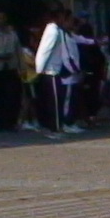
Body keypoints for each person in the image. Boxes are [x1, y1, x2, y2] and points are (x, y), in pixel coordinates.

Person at [33, 9, 79, 137]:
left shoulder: (57, 31)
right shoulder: (53, 31)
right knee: (54, 102)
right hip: (50, 71)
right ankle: (54, 128)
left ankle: (54, 127)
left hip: (54, 70)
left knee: (55, 101)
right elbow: (45, 51)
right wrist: (39, 70)